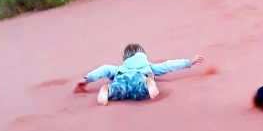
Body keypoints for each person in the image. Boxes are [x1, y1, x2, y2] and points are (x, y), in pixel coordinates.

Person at [75, 44, 203, 106]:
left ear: (125, 57)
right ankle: (149, 83)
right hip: (140, 78)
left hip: (122, 78)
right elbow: (168, 65)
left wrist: (87, 79)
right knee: (143, 88)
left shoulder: (120, 68)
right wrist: (188, 61)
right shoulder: (149, 66)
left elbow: (103, 69)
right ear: (143, 55)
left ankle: (106, 89)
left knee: (116, 89)